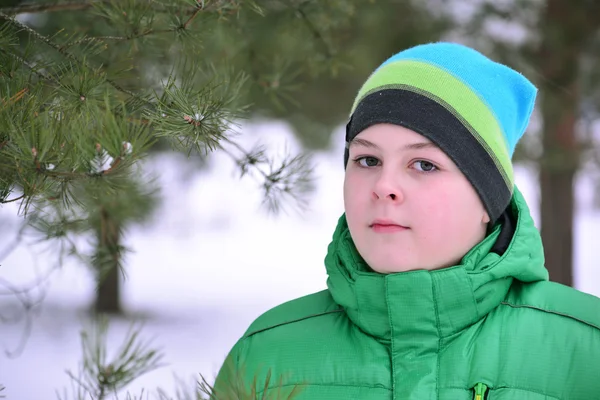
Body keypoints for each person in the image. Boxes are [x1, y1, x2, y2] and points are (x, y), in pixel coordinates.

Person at [211, 42, 600, 400]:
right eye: (367, 160)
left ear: (488, 198)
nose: (384, 186)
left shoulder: (586, 351)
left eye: (424, 164)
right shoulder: (267, 356)